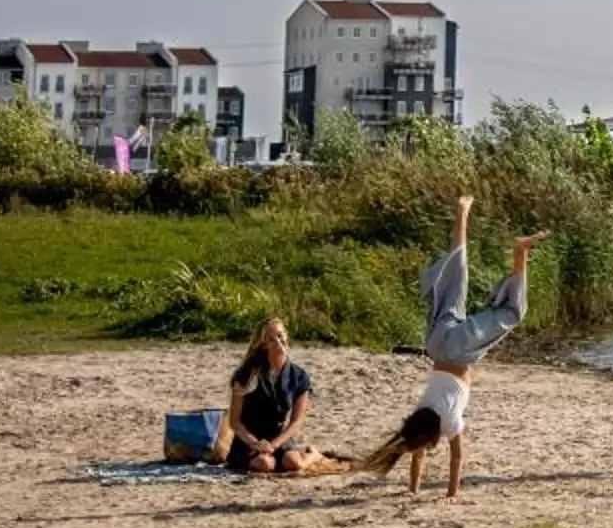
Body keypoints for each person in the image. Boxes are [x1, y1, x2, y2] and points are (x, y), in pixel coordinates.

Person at [357, 195, 546, 499]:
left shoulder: (447, 423)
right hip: (436, 343)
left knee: (513, 313)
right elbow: (416, 451)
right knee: (455, 276)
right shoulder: (420, 414)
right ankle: (462, 211)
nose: (425, 450)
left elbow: (456, 457)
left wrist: (451, 495)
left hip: (459, 351)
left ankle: (520, 251)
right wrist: (413, 488)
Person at [222, 317, 336, 474]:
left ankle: (313, 455)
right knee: (264, 464)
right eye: (271, 339)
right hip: (249, 438)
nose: (278, 341)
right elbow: (234, 422)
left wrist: (274, 445)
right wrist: (254, 443)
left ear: (287, 337)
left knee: (294, 462)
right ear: (263, 345)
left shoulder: (299, 376)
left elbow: (296, 422)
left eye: (280, 335)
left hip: (279, 437)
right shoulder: (246, 375)